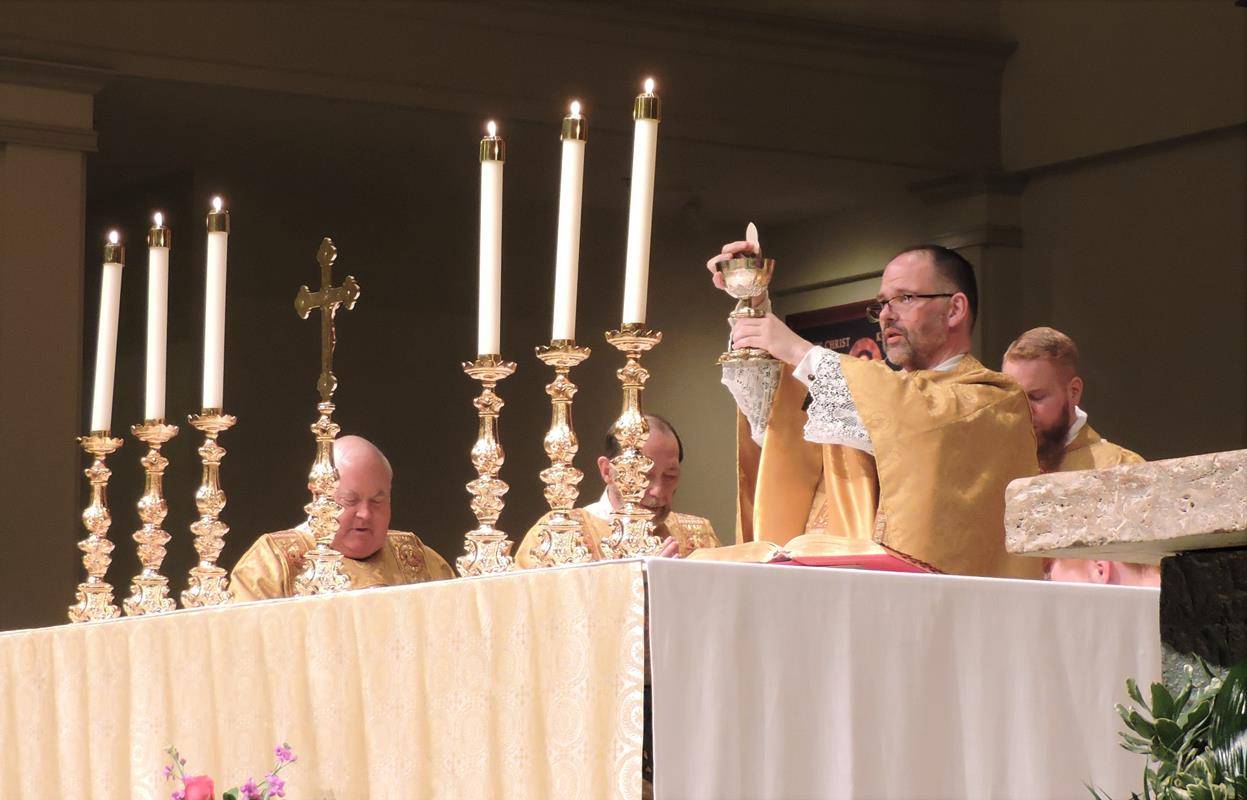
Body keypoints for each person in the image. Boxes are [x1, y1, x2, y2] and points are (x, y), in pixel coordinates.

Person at [711, 240, 1042, 578]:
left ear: (955, 309)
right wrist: (751, 301)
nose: (886, 314)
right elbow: (784, 442)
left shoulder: (993, 400)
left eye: (905, 298)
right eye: (882, 303)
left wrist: (798, 350)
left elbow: (916, 425)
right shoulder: (867, 395)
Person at [1001, 326, 1158, 586]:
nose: (1022, 412)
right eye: (1012, 398)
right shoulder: (994, 466)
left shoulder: (1119, 468)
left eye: (1036, 397)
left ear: (1073, 392)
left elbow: (1146, 577)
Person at [230, 435, 454, 601]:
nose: (365, 514)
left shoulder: (416, 558)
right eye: (350, 501)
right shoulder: (273, 563)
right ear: (317, 496)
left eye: (377, 501)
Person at [514, 414, 719, 568]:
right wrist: (640, 581)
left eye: (670, 475)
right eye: (644, 475)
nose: (658, 491)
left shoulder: (700, 537)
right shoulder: (557, 533)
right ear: (606, 471)